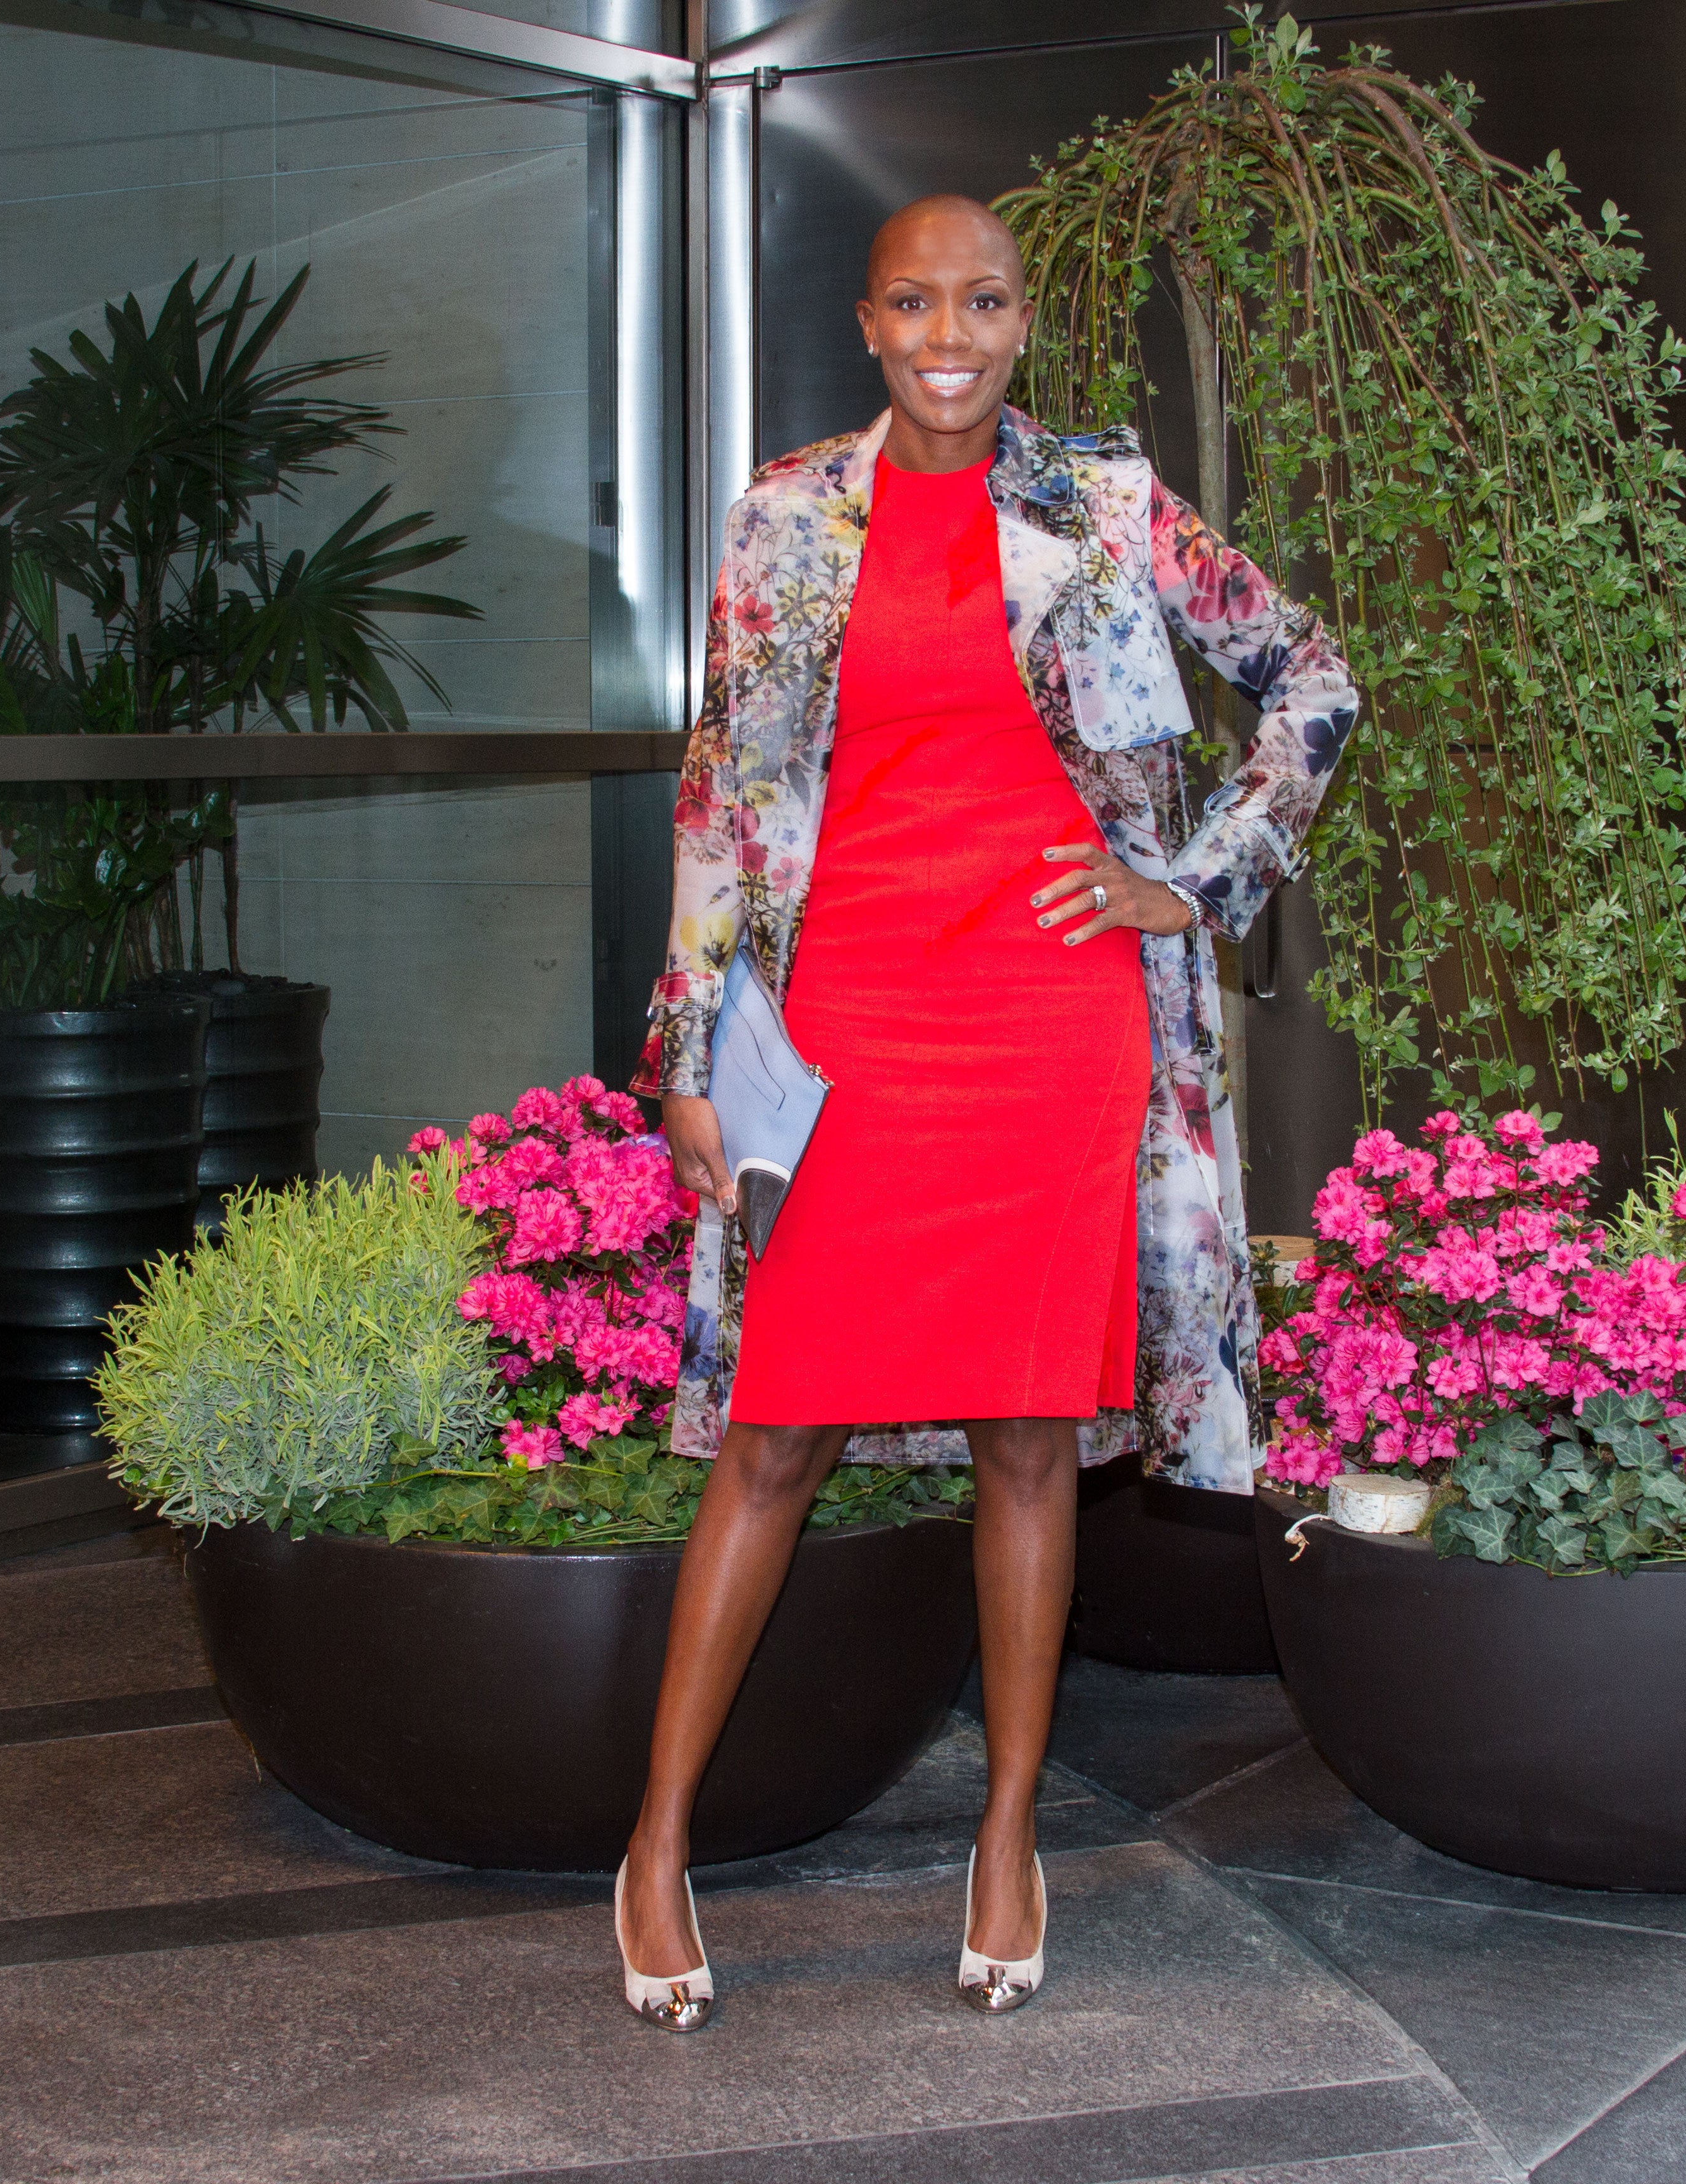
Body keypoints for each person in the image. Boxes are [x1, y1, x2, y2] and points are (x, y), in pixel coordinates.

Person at [614, 193, 1355, 2030]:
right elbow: (720, 787)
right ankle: (652, 1841)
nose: (953, 329)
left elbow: (1313, 680)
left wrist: (1193, 880)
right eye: (917, 299)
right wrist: (691, 1048)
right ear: (869, 322)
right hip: (847, 1026)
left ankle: (1011, 1829)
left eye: (988, 299)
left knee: (1034, 1434)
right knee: (774, 1434)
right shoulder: (787, 517)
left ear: (1025, 322)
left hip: (1049, 1020)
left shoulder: (1105, 507)